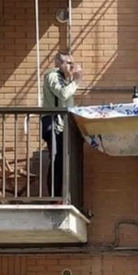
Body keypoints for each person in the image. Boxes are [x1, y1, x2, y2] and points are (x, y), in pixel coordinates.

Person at [42, 52, 82, 198]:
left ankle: (61, 195)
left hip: (61, 125)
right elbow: (62, 94)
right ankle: (55, 196)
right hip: (53, 124)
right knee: (56, 159)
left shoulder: (64, 79)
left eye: (72, 62)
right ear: (59, 63)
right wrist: (77, 81)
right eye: (68, 62)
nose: (71, 65)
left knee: (62, 160)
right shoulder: (52, 75)